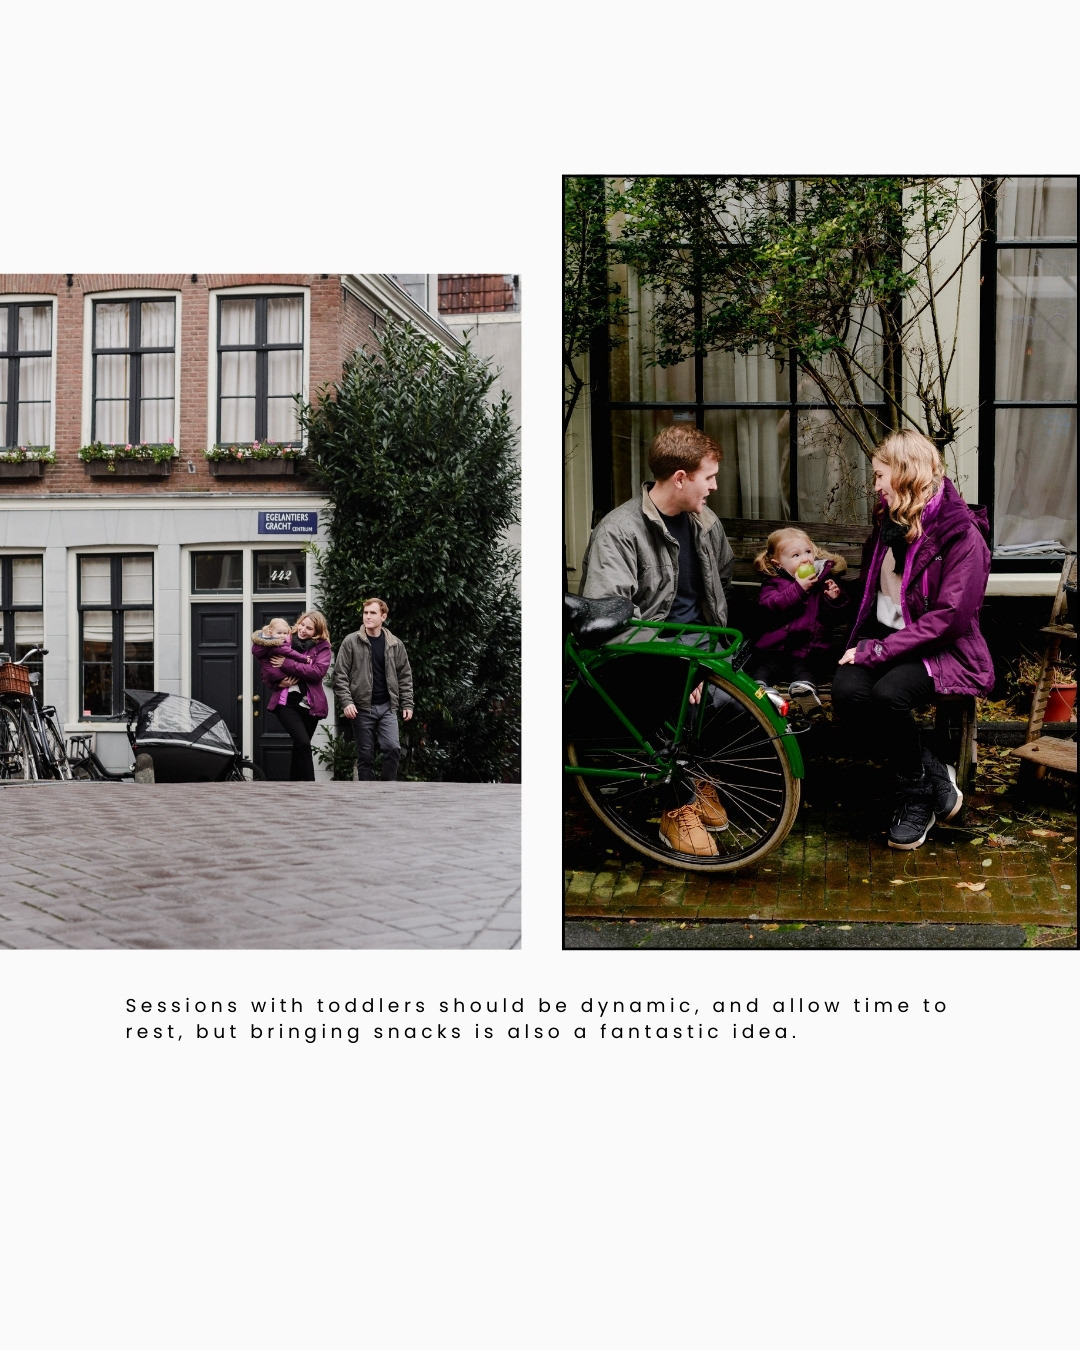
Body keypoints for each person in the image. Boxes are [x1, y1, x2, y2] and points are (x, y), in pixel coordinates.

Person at [832, 428, 994, 850]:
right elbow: (878, 591)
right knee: (847, 694)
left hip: (938, 647)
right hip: (885, 636)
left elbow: (949, 618)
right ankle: (931, 774)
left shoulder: (962, 535)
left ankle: (914, 797)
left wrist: (879, 651)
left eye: (879, 475)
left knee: (889, 696)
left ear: (905, 474)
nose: (875, 486)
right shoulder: (890, 521)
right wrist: (838, 597)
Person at [579, 423, 735, 858]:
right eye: (709, 477)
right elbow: (609, 618)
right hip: (646, 653)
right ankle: (676, 808)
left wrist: (701, 659)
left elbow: (721, 584)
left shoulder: (706, 523)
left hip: (701, 644)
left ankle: (699, 777)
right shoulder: (619, 531)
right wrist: (676, 663)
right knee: (674, 700)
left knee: (737, 703)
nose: (715, 486)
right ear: (680, 478)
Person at [746, 527, 848, 704]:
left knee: (806, 669)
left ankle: (804, 691)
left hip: (806, 651)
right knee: (764, 668)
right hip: (775, 649)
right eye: (796, 555)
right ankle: (760, 692)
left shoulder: (820, 583)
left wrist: (834, 599)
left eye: (808, 552)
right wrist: (798, 589)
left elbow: (835, 618)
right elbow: (770, 605)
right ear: (778, 564)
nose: (805, 559)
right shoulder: (773, 584)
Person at [333, 597, 414, 782]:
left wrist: (407, 704)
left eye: (373, 613)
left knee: (393, 748)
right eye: (365, 613)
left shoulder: (395, 644)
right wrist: (347, 702)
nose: (367, 616)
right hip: (361, 708)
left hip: (387, 707)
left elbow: (405, 676)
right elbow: (340, 675)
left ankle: (386, 790)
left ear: (383, 617)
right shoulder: (351, 641)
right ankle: (368, 794)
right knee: (366, 756)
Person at [253, 611, 332, 781]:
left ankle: (294, 787)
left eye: (309, 628)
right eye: (302, 624)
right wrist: (277, 684)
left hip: (310, 704)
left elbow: (317, 672)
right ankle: (310, 787)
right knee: (303, 743)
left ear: (317, 632)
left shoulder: (323, 647)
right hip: (286, 702)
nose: (303, 630)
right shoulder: (285, 638)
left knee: (300, 747)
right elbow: (266, 671)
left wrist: (287, 664)